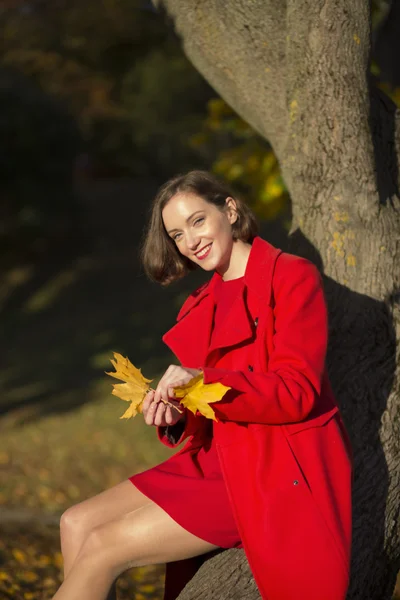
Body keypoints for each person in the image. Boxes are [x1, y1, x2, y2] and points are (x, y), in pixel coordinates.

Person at [53, 170, 352, 600]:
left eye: (197, 221)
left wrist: (204, 380)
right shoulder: (202, 304)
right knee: (75, 523)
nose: (190, 242)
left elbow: (296, 392)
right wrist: (176, 413)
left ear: (229, 210)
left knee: (103, 547)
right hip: (213, 458)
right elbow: (207, 409)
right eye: (177, 234)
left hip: (270, 466)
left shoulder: (291, 276)